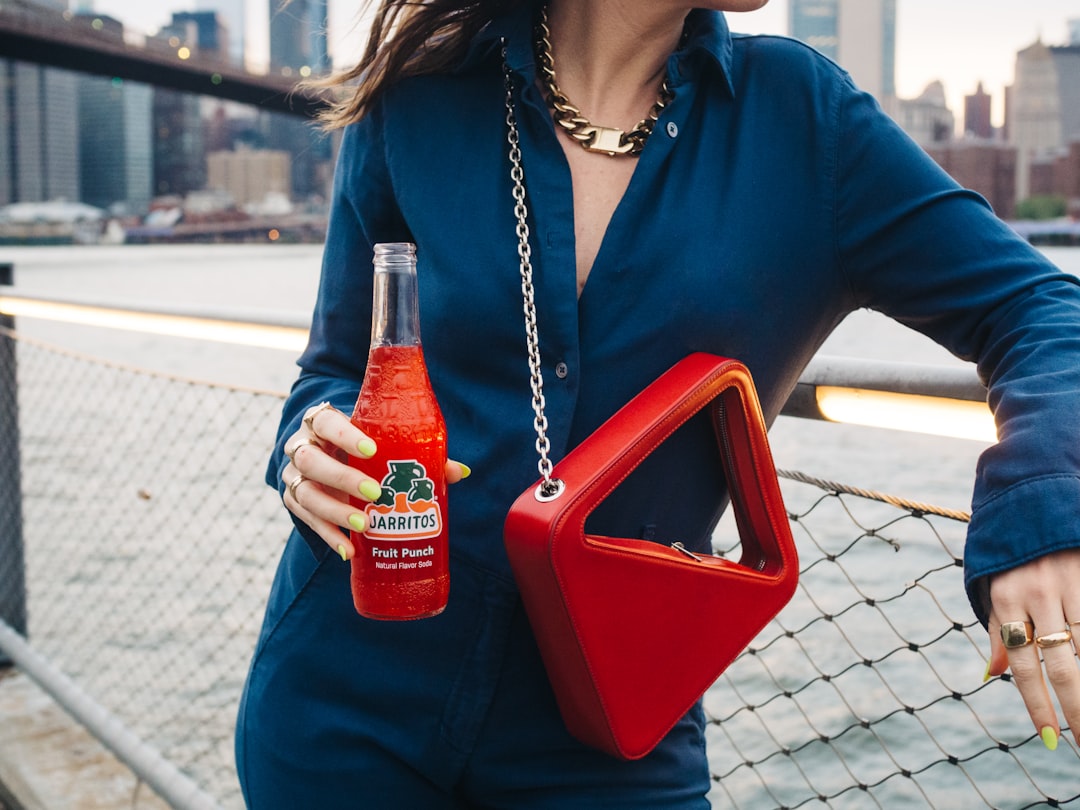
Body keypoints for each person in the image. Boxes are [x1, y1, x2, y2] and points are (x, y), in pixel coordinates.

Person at [236, 0, 1080, 806]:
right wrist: (308, 452)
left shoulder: (804, 124)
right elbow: (335, 368)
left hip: (614, 722)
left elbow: (1041, 311)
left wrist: (1037, 508)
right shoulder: (415, 99)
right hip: (343, 699)